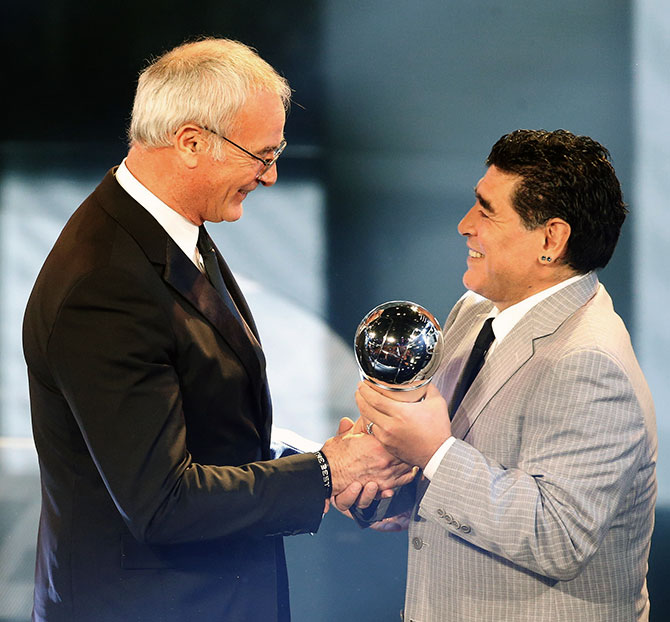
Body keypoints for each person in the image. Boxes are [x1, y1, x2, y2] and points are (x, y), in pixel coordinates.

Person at [22, 38, 414, 622]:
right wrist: (327, 471)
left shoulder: (168, 232)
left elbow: (206, 430)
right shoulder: (106, 282)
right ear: (190, 143)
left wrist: (324, 469)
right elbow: (163, 503)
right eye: (262, 154)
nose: (272, 175)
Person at [348, 129, 657, 621]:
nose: (464, 225)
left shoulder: (590, 360)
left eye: (486, 211)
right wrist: (383, 484)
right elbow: (457, 474)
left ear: (551, 240)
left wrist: (431, 451)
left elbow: (558, 537)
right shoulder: (476, 311)